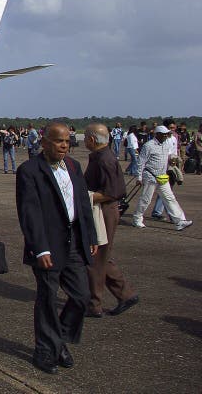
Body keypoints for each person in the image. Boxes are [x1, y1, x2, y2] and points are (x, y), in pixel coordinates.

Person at [16, 122, 98, 374]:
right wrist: (40, 248)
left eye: (67, 141)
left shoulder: (73, 166)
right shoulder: (29, 170)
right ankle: (45, 350)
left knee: (82, 296)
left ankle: (58, 339)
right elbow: (30, 212)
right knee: (48, 299)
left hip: (74, 241)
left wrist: (91, 236)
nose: (64, 145)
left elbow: (83, 203)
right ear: (44, 143)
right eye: (59, 141)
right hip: (48, 245)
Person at [83, 123, 139, 318]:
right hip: (101, 209)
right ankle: (125, 294)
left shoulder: (104, 160)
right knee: (102, 255)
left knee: (96, 255)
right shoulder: (100, 157)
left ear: (91, 139)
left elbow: (112, 192)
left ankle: (94, 303)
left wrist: (84, 197)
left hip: (104, 210)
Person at [131, 125, 192, 230]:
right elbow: (141, 162)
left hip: (162, 177)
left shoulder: (166, 144)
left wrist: (173, 159)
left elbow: (168, 156)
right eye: (164, 134)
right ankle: (137, 218)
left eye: (167, 134)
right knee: (146, 199)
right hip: (150, 176)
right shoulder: (148, 145)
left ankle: (180, 220)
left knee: (170, 198)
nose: (166, 136)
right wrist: (139, 177)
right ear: (157, 134)